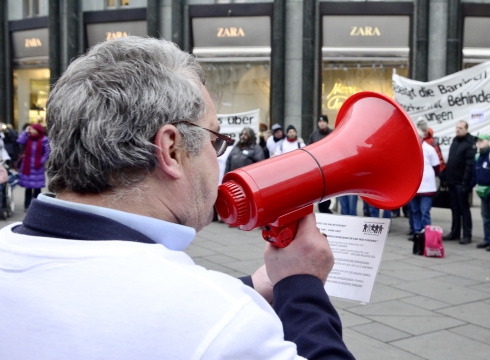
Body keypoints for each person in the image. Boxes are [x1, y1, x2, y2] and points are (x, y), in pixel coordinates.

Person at [0, 37, 353, 359]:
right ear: (171, 148)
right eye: (215, 141)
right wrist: (302, 283)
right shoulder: (221, 323)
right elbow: (185, 317)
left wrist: (249, 287)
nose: (217, 160)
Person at [440, 120, 476, 244]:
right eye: (456, 127)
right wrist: (444, 175)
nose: (458, 130)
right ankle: (455, 232)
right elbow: (451, 161)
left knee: (464, 209)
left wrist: (465, 183)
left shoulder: (469, 143)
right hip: (452, 181)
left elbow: (469, 166)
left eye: (460, 128)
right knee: (454, 208)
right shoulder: (455, 141)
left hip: (461, 183)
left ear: (466, 129)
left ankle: (467, 234)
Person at [472, 134, 490, 251]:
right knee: (485, 217)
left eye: (481, 141)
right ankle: (487, 239)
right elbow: (475, 174)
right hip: (482, 191)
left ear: (488, 142)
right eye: (478, 141)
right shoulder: (477, 156)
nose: (479, 143)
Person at [409, 128, 440, 240]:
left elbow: (436, 166)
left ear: (421, 137)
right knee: (414, 211)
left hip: (426, 186)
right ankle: (417, 232)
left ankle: (426, 233)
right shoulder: (410, 149)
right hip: (414, 187)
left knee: (425, 211)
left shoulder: (429, 149)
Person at [16, 124, 49, 211]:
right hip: (27, 166)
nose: (31, 131)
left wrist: (40, 161)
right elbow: (19, 141)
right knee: (28, 188)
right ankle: (27, 206)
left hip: (37, 166)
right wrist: (25, 132)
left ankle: (37, 206)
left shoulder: (44, 139)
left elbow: (47, 153)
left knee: (37, 188)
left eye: (33, 129)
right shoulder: (28, 138)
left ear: (38, 130)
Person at [307, 115, 333, 214]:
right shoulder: (314, 134)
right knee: (320, 191)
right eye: (320, 121)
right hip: (317, 168)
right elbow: (308, 149)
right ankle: (324, 211)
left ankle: (327, 210)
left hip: (329, 166)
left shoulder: (332, 133)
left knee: (329, 191)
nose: (322, 123)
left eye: (324, 121)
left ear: (327, 122)